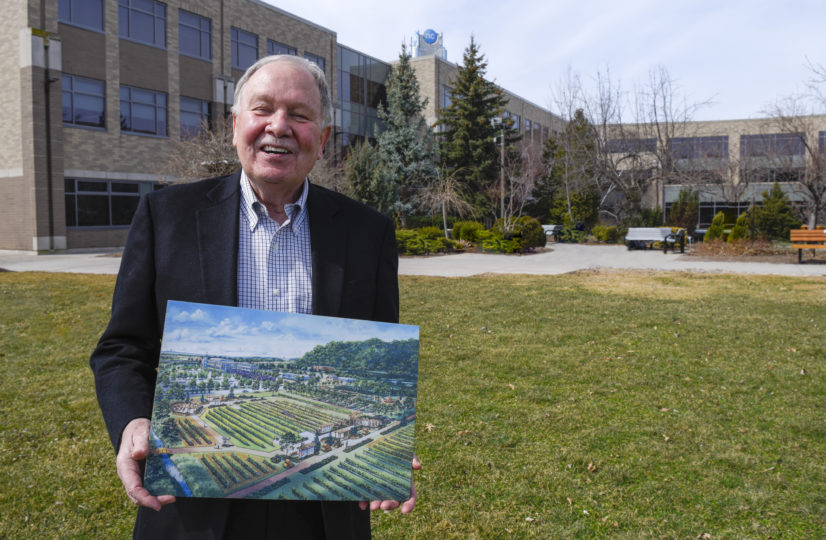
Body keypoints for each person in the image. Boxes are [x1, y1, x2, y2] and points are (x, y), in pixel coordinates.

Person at [90, 54, 419, 539]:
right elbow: (122, 348)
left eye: (300, 115)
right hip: (190, 509)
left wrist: (383, 439)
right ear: (235, 125)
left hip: (324, 514)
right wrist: (133, 421)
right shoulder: (168, 217)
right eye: (262, 109)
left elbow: (381, 348)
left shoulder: (368, 233)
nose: (278, 127)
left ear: (323, 139)